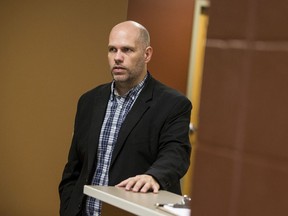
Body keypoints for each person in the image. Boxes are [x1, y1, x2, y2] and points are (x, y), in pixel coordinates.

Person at [59, 20, 192, 216]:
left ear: (147, 54)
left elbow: (176, 153)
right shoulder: (89, 101)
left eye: (127, 50)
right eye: (112, 50)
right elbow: (74, 168)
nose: (118, 58)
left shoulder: (173, 104)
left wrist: (153, 176)